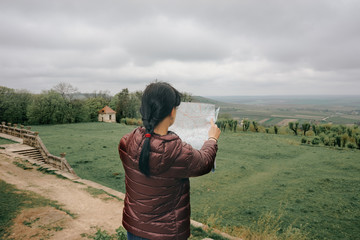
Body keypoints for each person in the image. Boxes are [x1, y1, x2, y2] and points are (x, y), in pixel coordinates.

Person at [118, 82, 221, 240]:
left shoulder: (126, 142)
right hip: (166, 233)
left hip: (134, 229)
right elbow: (205, 162)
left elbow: (150, 147)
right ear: (172, 111)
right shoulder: (178, 152)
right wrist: (212, 139)